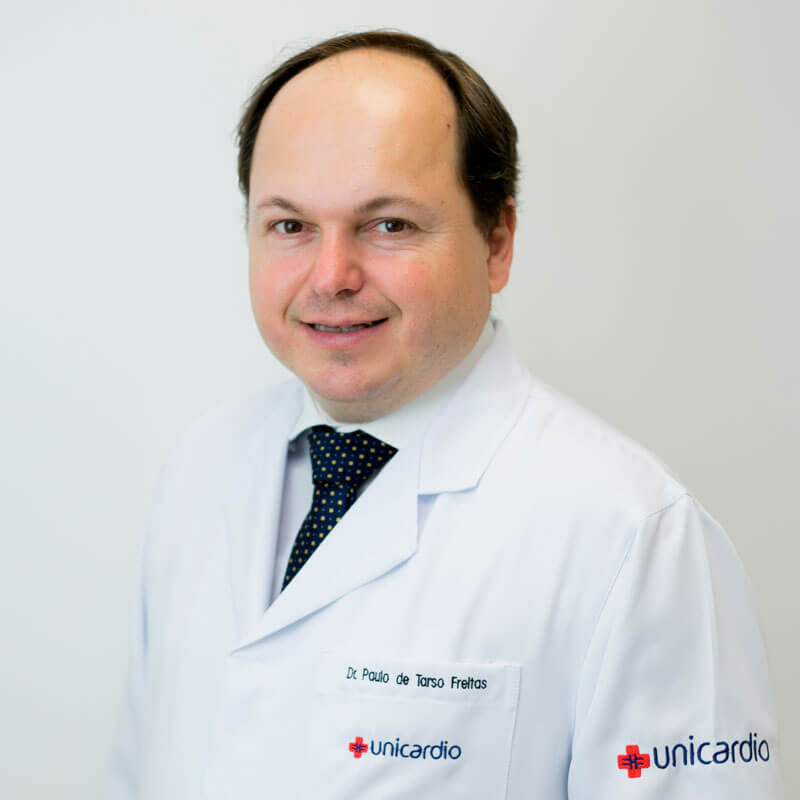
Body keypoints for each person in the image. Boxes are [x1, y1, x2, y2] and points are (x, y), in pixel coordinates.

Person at [105, 30, 784, 799]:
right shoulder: (200, 469)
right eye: (290, 226)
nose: (330, 276)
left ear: (497, 242)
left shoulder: (632, 533)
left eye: (388, 224)